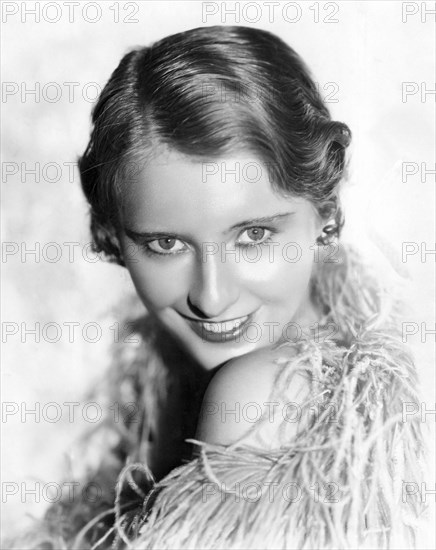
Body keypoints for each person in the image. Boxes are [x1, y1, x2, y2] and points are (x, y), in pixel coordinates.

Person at [11, 25, 426, 549]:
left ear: (324, 210)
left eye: (253, 236)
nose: (210, 298)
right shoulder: (172, 367)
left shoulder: (257, 394)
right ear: (114, 235)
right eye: (165, 245)